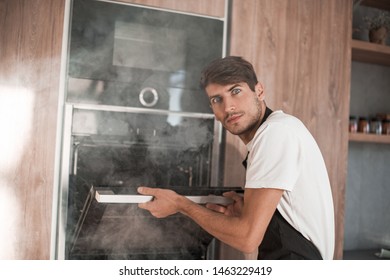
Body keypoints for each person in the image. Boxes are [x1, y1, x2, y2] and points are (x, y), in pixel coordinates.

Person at [138, 56, 335, 260]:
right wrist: (244, 217)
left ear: (259, 91)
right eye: (217, 99)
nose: (228, 107)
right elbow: (256, 238)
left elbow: (247, 239)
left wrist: (181, 205)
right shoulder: (272, 135)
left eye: (236, 91)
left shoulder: (275, 133)